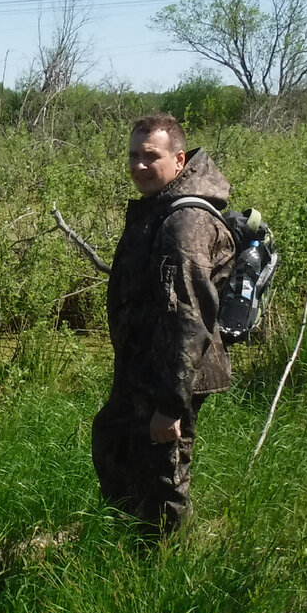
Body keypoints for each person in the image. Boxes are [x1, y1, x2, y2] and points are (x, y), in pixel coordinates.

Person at [92, 113, 234, 535]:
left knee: (163, 474)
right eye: (133, 155)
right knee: (115, 444)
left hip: (171, 373)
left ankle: (163, 565)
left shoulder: (183, 223)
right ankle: (127, 543)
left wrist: (170, 405)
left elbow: (187, 317)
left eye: (149, 156)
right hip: (145, 365)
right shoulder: (160, 208)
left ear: (178, 159)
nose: (138, 165)